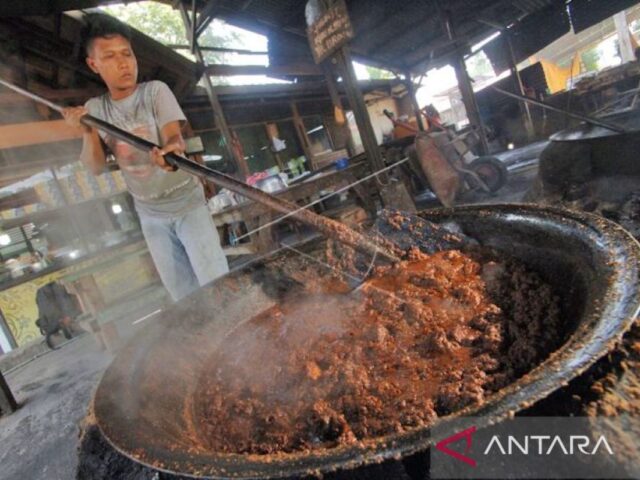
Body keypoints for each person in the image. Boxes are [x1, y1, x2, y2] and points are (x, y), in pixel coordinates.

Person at [63, 14, 229, 301]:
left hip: (187, 204)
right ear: (94, 64)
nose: (123, 63)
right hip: (150, 216)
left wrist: (171, 154)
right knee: (183, 296)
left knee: (216, 283)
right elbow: (95, 168)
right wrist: (87, 131)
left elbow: (174, 138)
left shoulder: (155, 92)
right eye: (110, 56)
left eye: (127, 54)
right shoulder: (96, 109)